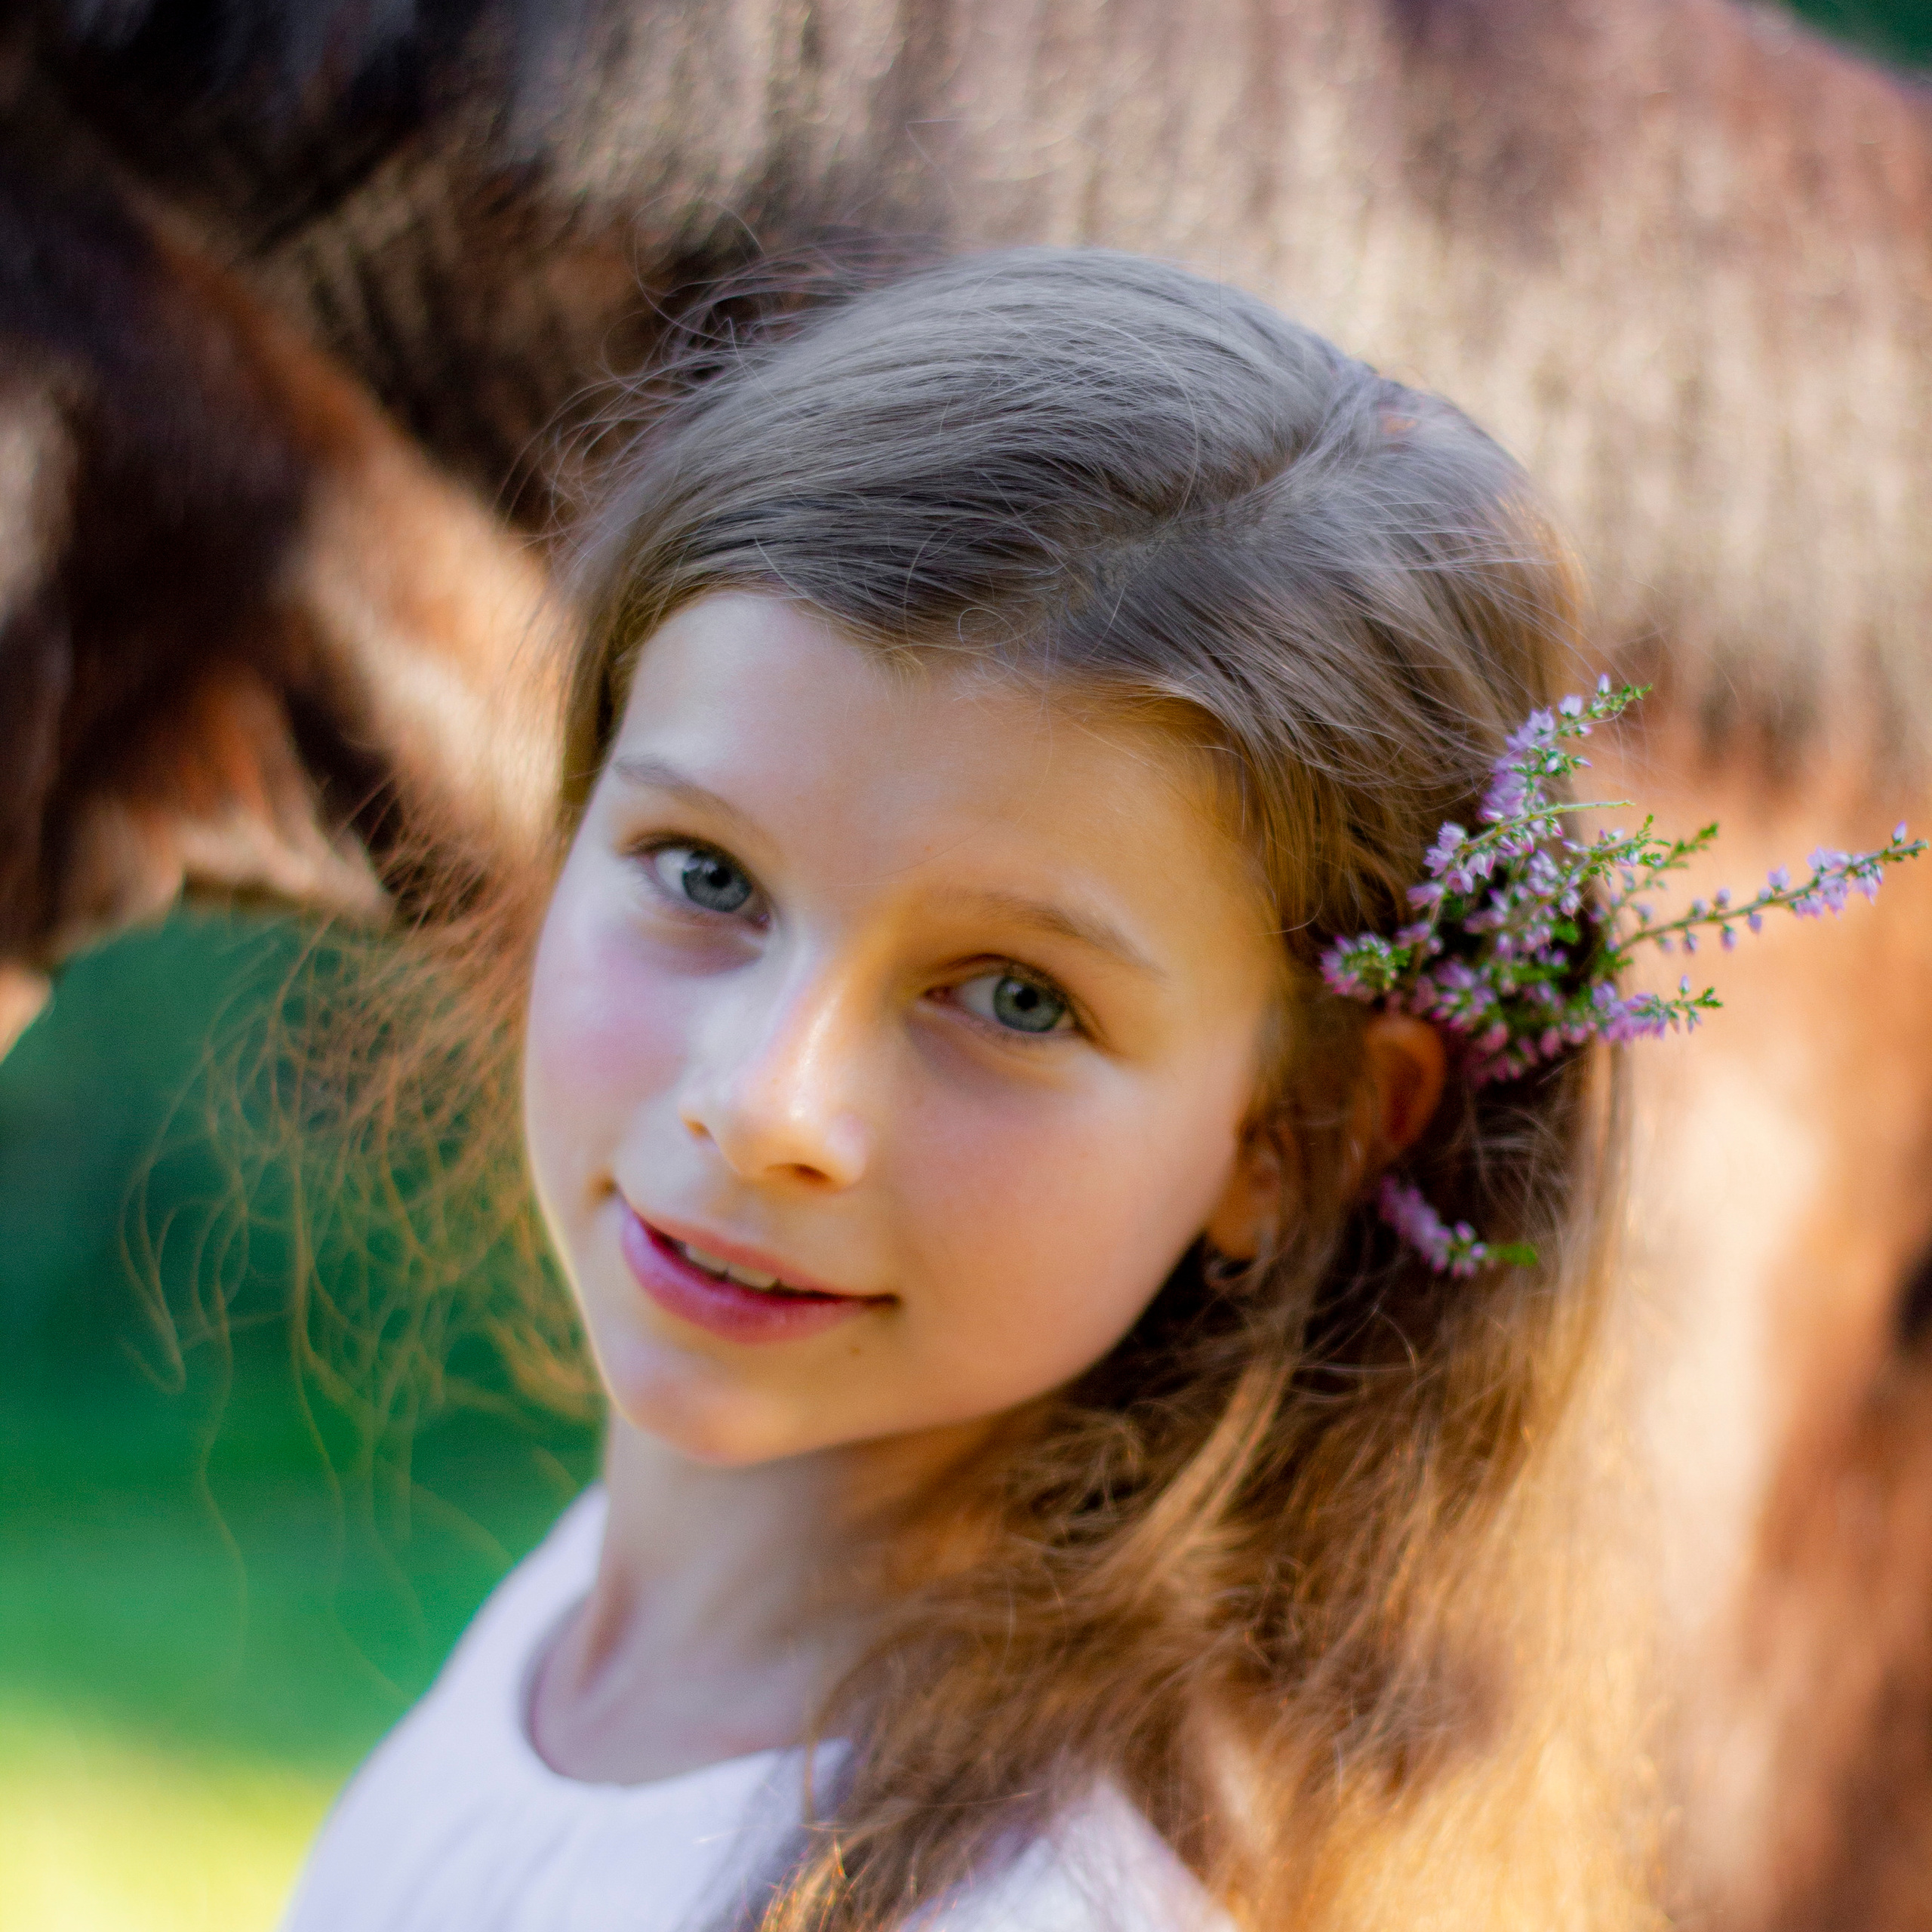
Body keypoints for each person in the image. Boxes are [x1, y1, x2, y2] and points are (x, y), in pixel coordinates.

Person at [279, 249, 1641, 1930]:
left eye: (1015, 997)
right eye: (705, 874)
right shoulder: (596, 1641)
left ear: (1296, 1135)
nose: (767, 1106)